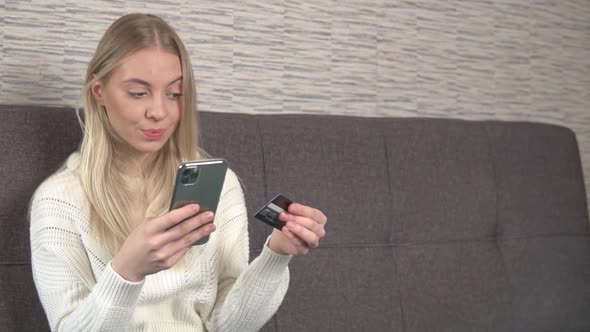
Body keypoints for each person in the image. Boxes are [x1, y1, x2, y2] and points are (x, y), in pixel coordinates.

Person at [29, 13, 327, 331]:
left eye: (174, 94)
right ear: (99, 92)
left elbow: (228, 325)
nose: (159, 111)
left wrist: (276, 255)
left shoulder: (219, 185)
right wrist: (126, 272)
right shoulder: (58, 200)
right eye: (138, 93)